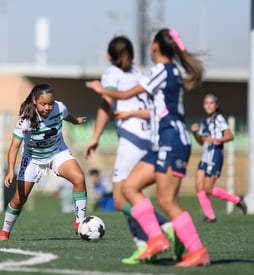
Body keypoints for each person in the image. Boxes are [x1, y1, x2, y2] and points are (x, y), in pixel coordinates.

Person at [87, 29, 210, 267]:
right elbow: (156, 108)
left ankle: (195, 250)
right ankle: (156, 238)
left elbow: (123, 93)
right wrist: (131, 111)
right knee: (130, 188)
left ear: (155, 48)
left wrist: (99, 88)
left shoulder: (159, 71)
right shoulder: (172, 71)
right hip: (160, 142)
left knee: (166, 202)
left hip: (170, 141)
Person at [0, 83, 88, 241]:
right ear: (34, 101)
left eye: (50, 103)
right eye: (43, 104)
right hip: (33, 159)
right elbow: (14, 147)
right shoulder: (26, 119)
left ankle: (80, 222)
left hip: (58, 152)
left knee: (79, 178)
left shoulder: (60, 107)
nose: (47, 108)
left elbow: (67, 115)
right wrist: (11, 170)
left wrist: (75, 121)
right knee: (19, 200)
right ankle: (5, 231)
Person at [191, 93, 247, 222]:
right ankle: (210, 216)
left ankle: (237, 200)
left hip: (215, 155)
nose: (209, 105)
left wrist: (216, 139)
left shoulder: (219, 119)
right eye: (206, 103)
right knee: (198, 186)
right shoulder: (204, 121)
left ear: (216, 106)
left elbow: (230, 136)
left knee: (208, 189)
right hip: (205, 156)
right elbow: (201, 142)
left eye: (211, 103)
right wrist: (195, 133)